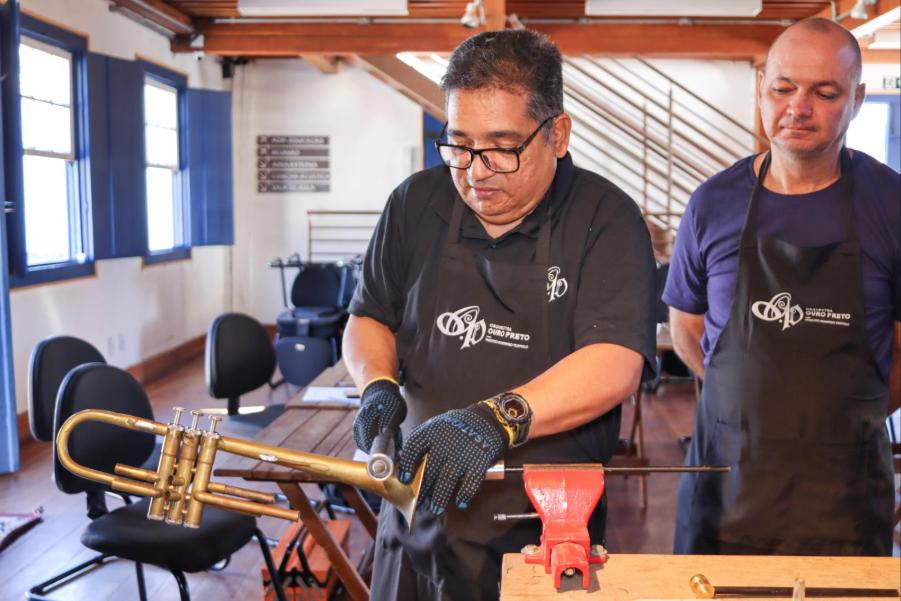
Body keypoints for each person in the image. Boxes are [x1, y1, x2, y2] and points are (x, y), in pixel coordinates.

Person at [344, 29, 656, 601]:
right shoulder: (415, 204)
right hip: (416, 505)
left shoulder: (606, 219)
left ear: (557, 134)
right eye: (460, 145)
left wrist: (497, 418)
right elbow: (369, 317)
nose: (476, 171)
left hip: (541, 527)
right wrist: (377, 384)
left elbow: (615, 363)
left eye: (501, 148)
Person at [665, 18, 900, 556]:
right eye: (783, 88)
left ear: (857, 99)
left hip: (844, 498)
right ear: (761, 87)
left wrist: (841, 419)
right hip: (725, 493)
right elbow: (687, 332)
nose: (799, 107)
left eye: (825, 93)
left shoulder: (892, 206)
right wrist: (744, 407)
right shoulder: (712, 203)